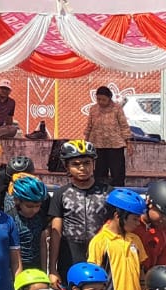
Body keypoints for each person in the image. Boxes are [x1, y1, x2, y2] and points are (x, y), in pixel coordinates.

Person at [48, 140, 111, 275]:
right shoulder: (61, 194)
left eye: (87, 163)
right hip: (70, 255)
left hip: (102, 254)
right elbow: (56, 233)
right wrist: (52, 269)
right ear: (67, 167)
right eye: (76, 164)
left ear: (94, 164)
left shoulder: (108, 193)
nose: (82, 168)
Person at [83, 86, 130, 187]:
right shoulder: (93, 109)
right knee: (99, 171)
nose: (101, 102)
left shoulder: (117, 108)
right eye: (98, 99)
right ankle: (99, 190)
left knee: (117, 171)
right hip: (98, 144)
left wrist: (128, 142)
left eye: (103, 99)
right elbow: (89, 126)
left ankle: (118, 190)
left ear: (109, 98)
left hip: (115, 145)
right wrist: (86, 140)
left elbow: (124, 125)